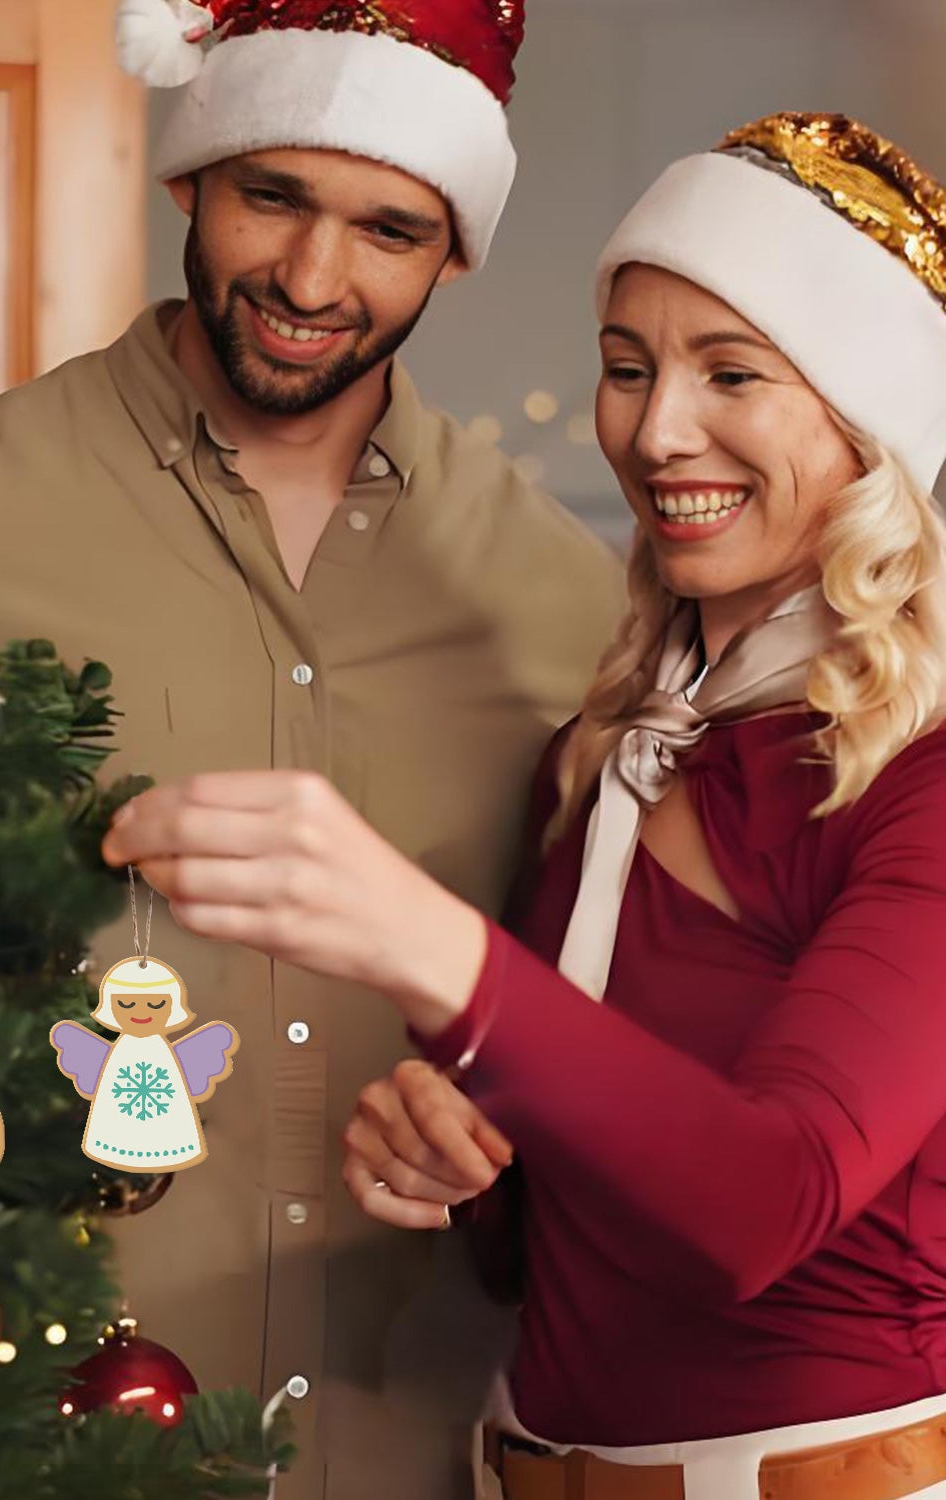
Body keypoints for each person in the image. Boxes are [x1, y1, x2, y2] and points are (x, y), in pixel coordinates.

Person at [102, 111, 946, 1500]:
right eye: (627, 368)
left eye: (731, 373)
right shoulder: (608, 756)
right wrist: (464, 1164)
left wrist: (425, 945)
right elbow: (573, 1231)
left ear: (866, 426)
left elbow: (762, 1204)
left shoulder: (918, 778)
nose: (655, 428)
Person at [0, 1, 623, 1493]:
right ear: (190, 177)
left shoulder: (568, 607)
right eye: (273, 198)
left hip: (424, 1434)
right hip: (26, 1423)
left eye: (388, 229)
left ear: (452, 249)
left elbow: (615, 1030)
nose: (315, 279)